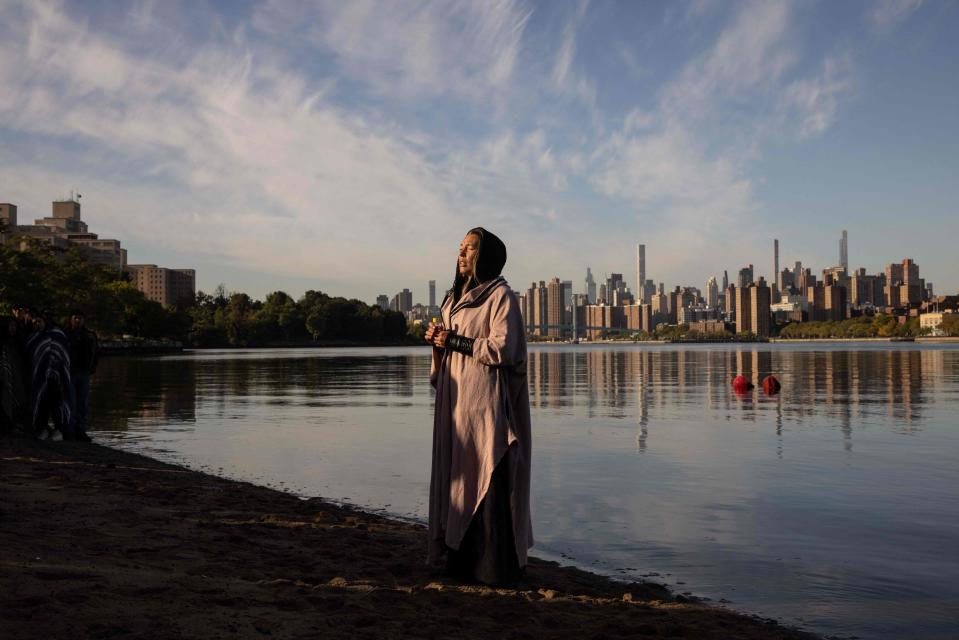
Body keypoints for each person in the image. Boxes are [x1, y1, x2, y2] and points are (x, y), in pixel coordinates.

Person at [425, 227, 533, 586]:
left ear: (485, 255)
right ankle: (458, 561)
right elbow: (450, 354)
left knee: (486, 475)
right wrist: (438, 343)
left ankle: (493, 568)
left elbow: (505, 349)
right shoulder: (452, 299)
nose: (462, 254)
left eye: (470, 248)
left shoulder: (500, 296)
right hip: (457, 408)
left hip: (485, 407)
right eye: (460, 248)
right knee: (459, 480)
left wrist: (453, 339)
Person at [25, 314, 76, 441]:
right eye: (35, 322)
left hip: (57, 378)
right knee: (41, 403)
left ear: (46, 321)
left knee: (58, 403)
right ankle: (42, 428)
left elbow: (64, 355)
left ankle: (60, 429)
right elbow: (30, 357)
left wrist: (58, 371)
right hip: (40, 378)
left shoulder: (58, 335)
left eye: (39, 321)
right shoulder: (33, 337)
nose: (37, 324)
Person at [66, 310, 98, 442]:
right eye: (75, 318)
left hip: (84, 373)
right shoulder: (65, 334)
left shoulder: (90, 335)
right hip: (70, 373)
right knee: (71, 402)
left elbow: (96, 353)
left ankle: (81, 430)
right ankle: (70, 430)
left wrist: (92, 368)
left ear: (84, 320)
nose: (78, 321)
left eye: (80, 318)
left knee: (83, 403)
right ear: (71, 320)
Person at [0, 315, 29, 433]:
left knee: (17, 398)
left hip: (17, 378)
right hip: (4, 379)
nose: (13, 329)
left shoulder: (18, 342)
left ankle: (15, 424)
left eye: (14, 326)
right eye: (11, 326)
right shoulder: (2, 343)